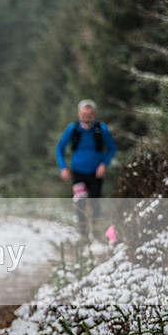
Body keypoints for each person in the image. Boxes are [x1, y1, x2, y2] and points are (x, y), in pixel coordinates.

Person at [55, 99, 117, 238]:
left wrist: (104, 164)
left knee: (95, 202)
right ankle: (82, 233)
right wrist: (63, 167)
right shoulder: (73, 129)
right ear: (79, 114)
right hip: (78, 172)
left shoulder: (101, 129)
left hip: (96, 173)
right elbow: (60, 148)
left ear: (94, 115)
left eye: (89, 114)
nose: (86, 117)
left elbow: (112, 148)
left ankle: (95, 230)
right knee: (80, 202)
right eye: (83, 114)